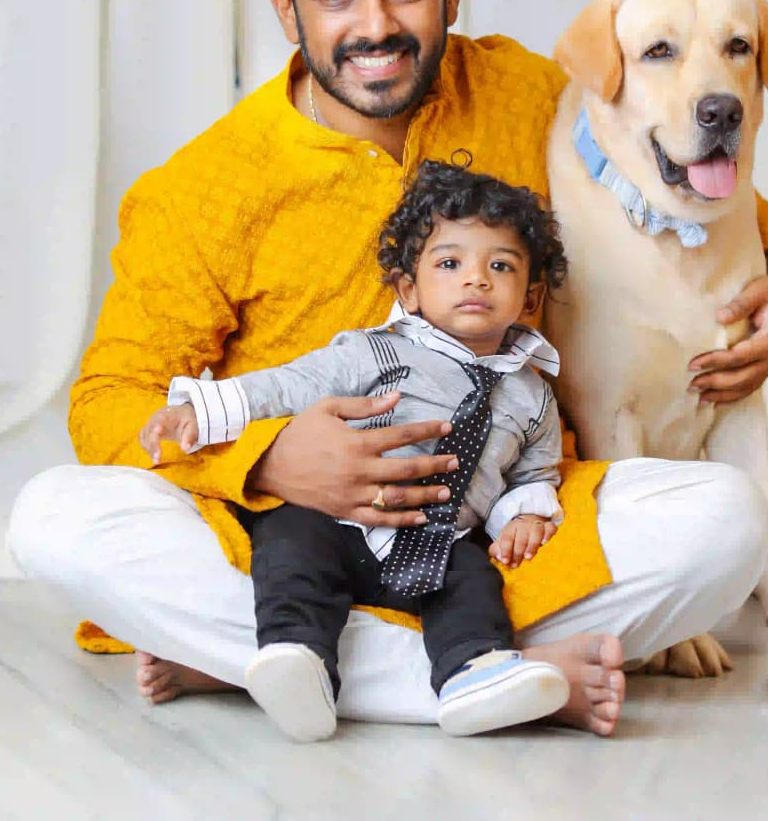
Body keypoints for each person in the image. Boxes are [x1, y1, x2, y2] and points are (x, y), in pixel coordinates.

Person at [8, 0, 768, 736]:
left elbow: (649, 165)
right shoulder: (202, 187)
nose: (375, 24)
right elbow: (108, 403)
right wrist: (270, 458)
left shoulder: (519, 91)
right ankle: (474, 672)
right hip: (284, 539)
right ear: (286, 7)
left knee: (726, 520)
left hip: (508, 534)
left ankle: (284, 664)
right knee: (53, 517)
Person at [139, 158, 575, 740]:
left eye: (500, 266)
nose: (477, 279)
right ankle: (299, 659)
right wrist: (202, 409)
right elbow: (285, 385)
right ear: (409, 289)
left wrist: (522, 514)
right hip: (338, 523)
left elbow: (533, 471)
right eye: (450, 264)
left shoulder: (533, 396)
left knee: (475, 579)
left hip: (436, 538)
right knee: (289, 542)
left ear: (530, 296)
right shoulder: (378, 353)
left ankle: (475, 671)